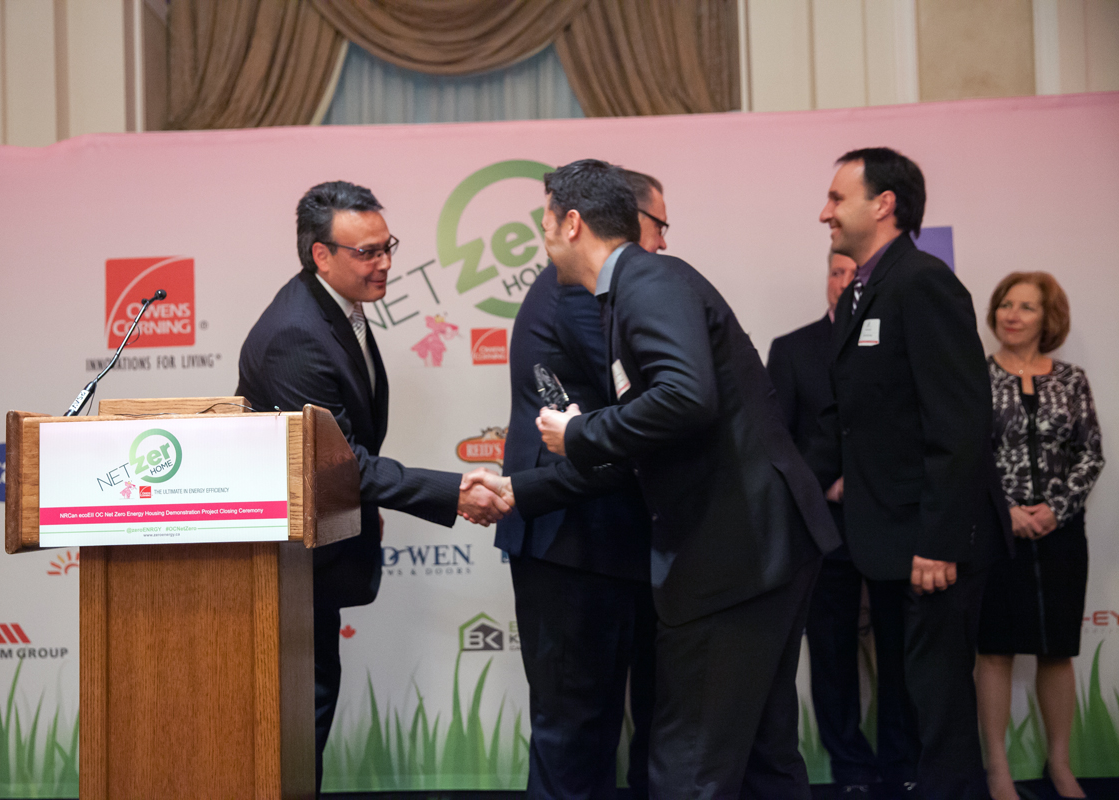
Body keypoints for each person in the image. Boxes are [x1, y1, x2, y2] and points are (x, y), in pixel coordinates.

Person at [535, 158, 841, 798]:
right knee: (761, 758)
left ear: (572, 223)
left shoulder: (647, 280)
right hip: (756, 547)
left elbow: (685, 396)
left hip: (735, 554)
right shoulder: (635, 286)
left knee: (690, 763)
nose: (542, 237)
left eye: (544, 221)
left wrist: (581, 432)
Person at [235, 180, 511, 789]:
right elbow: (338, 463)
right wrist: (452, 491)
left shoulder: (336, 308)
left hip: (319, 551)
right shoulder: (295, 333)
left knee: (310, 704)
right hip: (289, 563)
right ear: (321, 254)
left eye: (387, 247)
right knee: (297, 713)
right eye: (367, 252)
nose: (384, 262)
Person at [809, 147, 1010, 799]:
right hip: (890, 545)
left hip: (931, 547)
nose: (824, 213)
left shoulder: (921, 281)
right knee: (916, 709)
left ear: (884, 204)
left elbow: (960, 423)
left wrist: (938, 542)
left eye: (837, 199)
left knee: (939, 715)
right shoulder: (865, 290)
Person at [469, 170, 666, 799]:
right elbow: (644, 399)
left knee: (591, 727)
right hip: (573, 539)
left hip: (593, 538)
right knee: (574, 731)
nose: (662, 243)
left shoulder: (596, 289)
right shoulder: (581, 292)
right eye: (657, 226)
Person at [767, 250, 920, 797]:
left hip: (892, 523)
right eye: (837, 272)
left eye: (857, 274)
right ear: (827, 280)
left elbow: (910, 429)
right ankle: (851, 769)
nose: (846, 282)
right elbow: (776, 442)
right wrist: (824, 483)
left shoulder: (897, 344)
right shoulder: (791, 349)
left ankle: (902, 764)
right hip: (825, 528)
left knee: (900, 650)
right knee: (831, 654)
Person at [975, 272, 1103, 800]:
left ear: (1048, 318)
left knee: (1056, 651)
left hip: (1061, 534)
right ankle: (998, 771)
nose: (1012, 315)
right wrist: (1007, 512)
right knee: (995, 650)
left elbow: (1090, 453)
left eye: (1026, 306)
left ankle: (1061, 765)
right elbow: (969, 457)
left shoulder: (1071, 380)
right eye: (1006, 304)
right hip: (996, 533)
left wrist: (1056, 509)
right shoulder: (975, 376)